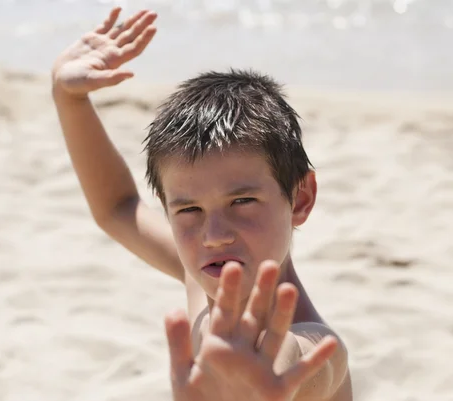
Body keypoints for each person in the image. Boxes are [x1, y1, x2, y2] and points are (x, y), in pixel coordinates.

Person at [51, 6, 352, 401]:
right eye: (189, 209)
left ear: (301, 198)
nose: (214, 236)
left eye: (242, 201)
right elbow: (117, 207)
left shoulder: (314, 346)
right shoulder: (203, 278)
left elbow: (297, 362)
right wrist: (69, 99)